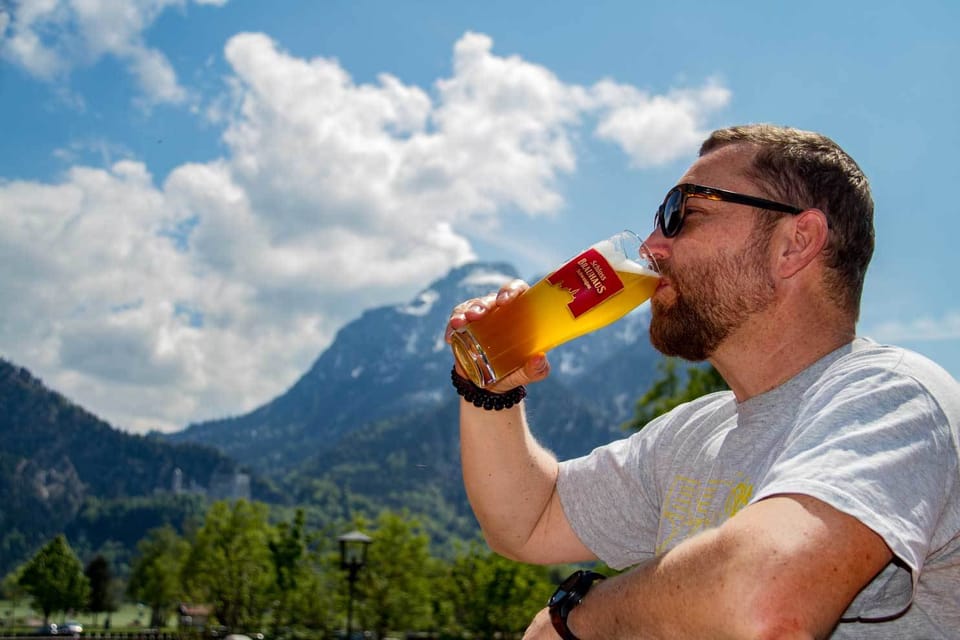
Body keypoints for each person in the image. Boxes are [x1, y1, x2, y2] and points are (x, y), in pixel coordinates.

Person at [444, 124, 960, 639]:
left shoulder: (894, 398)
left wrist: (577, 616)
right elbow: (528, 522)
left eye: (681, 213)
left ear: (795, 243)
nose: (651, 246)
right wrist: (489, 391)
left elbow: (764, 602)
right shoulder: (695, 433)